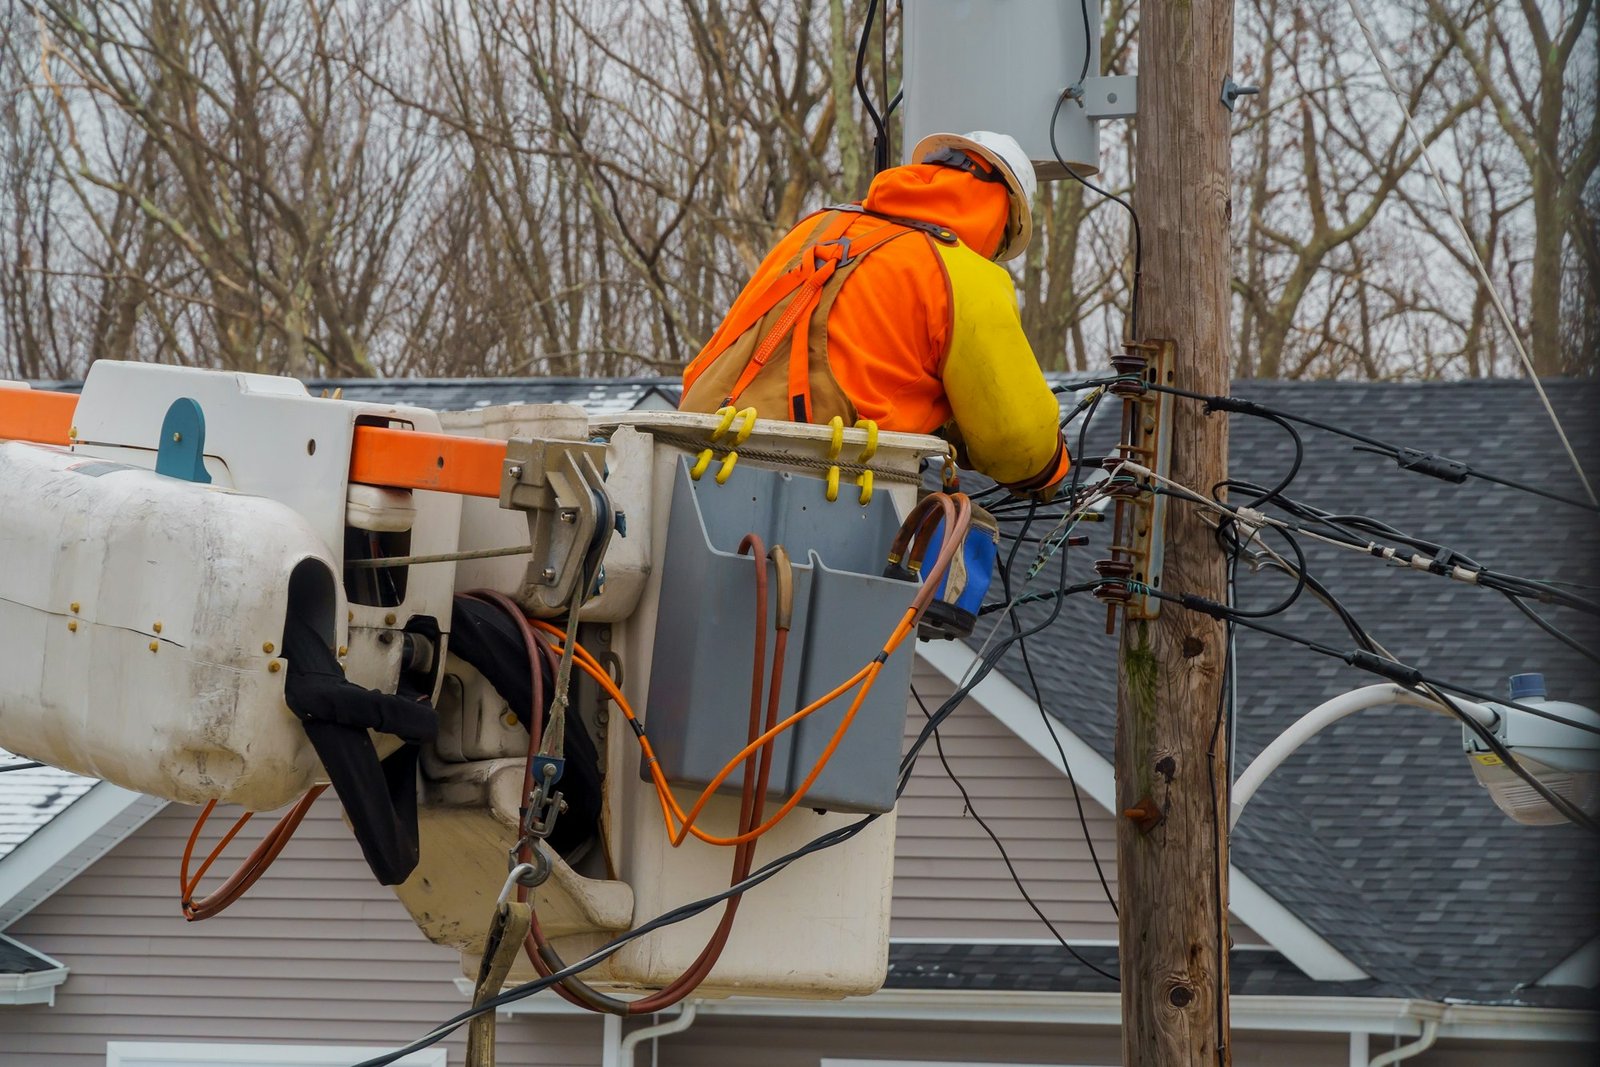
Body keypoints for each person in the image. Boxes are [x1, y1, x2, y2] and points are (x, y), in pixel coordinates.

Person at [680, 131, 1071, 497]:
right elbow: (1019, 444)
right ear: (1002, 217)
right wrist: (1052, 468)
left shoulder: (818, 226)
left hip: (689, 452)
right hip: (813, 482)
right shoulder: (963, 271)